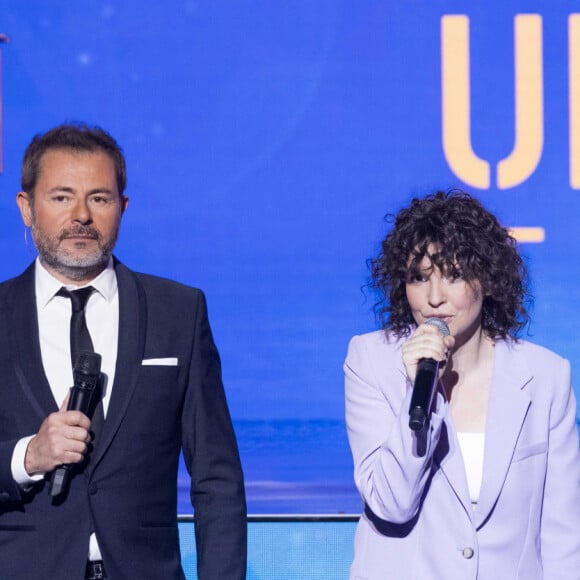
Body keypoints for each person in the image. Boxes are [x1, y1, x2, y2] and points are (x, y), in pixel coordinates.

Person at [0, 123, 247, 579]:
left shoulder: (178, 312)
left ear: (123, 207)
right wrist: (28, 457)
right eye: (60, 197)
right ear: (26, 208)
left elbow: (217, 478)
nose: (81, 216)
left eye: (99, 198)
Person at [344, 190, 580, 579]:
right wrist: (416, 391)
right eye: (419, 278)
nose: (435, 298)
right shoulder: (371, 362)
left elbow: (562, 536)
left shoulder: (545, 377)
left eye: (454, 275)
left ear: (486, 279)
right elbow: (391, 503)